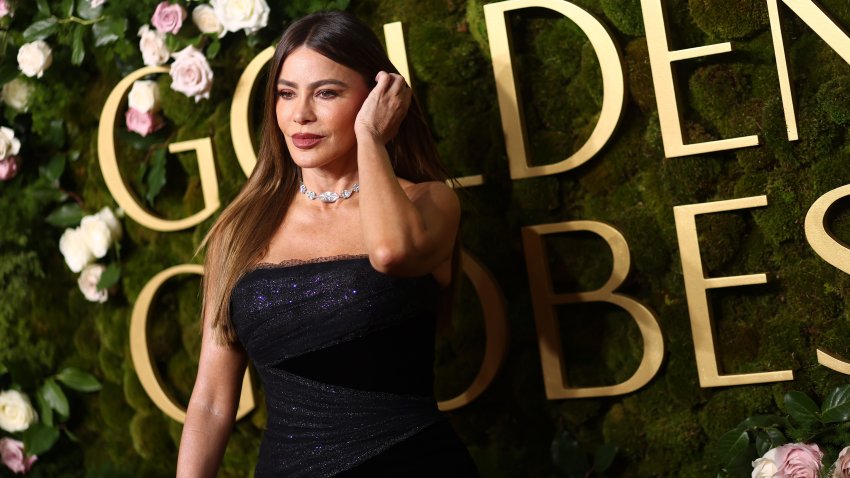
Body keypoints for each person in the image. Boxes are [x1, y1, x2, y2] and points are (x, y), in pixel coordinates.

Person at [175, 10, 479, 478]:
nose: (301, 114)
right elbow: (213, 402)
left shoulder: (429, 202)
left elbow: (390, 252)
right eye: (286, 93)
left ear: (377, 98)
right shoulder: (239, 230)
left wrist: (371, 139)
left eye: (327, 92)